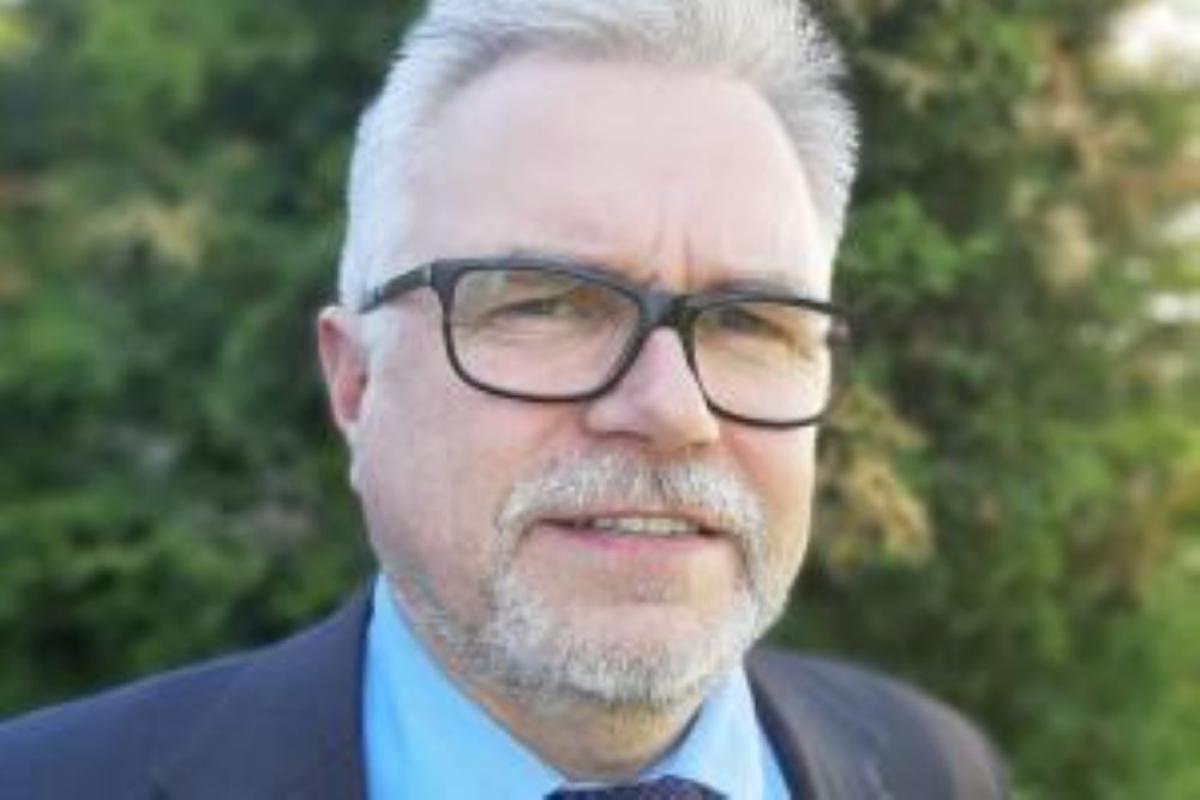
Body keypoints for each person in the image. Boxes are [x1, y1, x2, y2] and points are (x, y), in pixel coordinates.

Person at [0, 0, 1009, 797]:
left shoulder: (932, 767)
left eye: (749, 322)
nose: (672, 410)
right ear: (355, 381)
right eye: (549, 305)